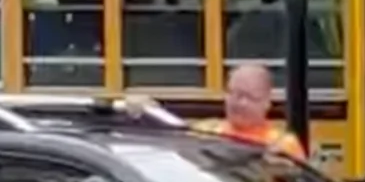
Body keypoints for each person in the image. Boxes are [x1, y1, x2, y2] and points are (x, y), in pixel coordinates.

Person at [129, 63, 306, 160]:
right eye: (233, 94)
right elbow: (171, 134)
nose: (239, 103)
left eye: (248, 97)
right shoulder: (208, 131)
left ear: (267, 102)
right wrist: (149, 110)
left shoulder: (282, 145)